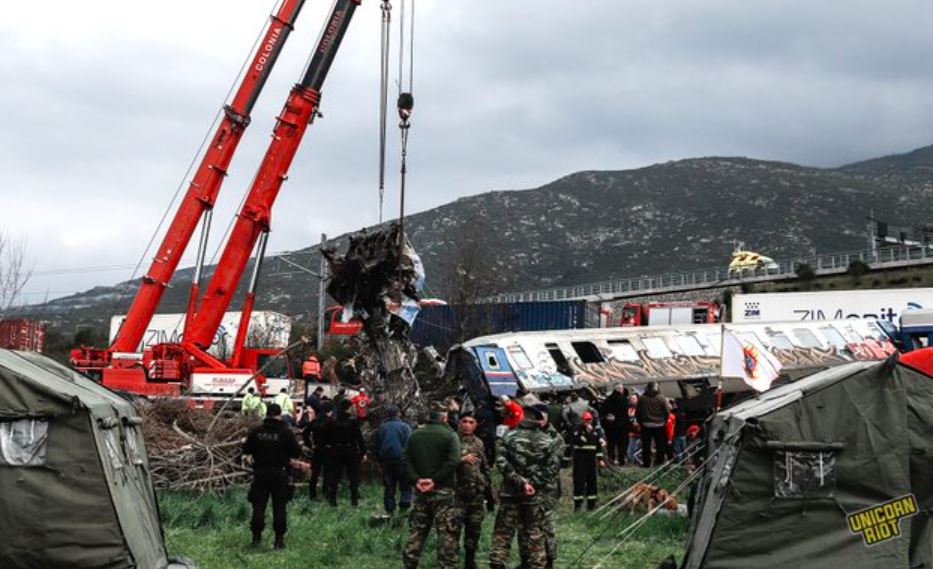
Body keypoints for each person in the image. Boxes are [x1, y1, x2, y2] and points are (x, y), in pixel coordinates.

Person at [489, 405, 562, 569]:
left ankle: (497, 563)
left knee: (503, 533)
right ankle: (537, 564)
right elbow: (552, 470)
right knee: (535, 534)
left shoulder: (508, 437)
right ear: (536, 420)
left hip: (510, 494)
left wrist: (519, 481)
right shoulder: (548, 441)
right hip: (534, 496)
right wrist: (531, 484)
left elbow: (501, 462)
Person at [402, 404, 461, 569]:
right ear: (444, 418)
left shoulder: (415, 435)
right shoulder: (450, 436)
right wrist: (435, 480)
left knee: (417, 531)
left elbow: (405, 459)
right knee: (447, 533)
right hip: (443, 492)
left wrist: (416, 480)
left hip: (421, 491)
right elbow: (453, 461)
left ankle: (410, 563)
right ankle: (446, 565)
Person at [241, 403, 300, 550]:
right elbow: (296, 452)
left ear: (267, 414)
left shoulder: (256, 431)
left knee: (258, 506)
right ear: (279, 415)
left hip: (260, 473)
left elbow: (246, 449)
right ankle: (279, 541)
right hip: (280, 474)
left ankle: (256, 539)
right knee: (279, 507)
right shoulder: (286, 432)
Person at [455, 412, 493, 569]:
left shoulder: (478, 442)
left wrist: (488, 492)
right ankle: (450, 561)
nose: (467, 425)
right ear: (459, 423)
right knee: (452, 530)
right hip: (456, 494)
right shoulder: (452, 440)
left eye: (471, 422)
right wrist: (460, 459)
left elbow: (484, 466)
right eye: (464, 421)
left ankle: (470, 562)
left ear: (475, 425)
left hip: (476, 495)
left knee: (474, 529)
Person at [323, 399, 367, 506]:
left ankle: (332, 499)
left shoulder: (333, 421)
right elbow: (359, 438)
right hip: (350, 450)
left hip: (336, 451)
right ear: (348, 408)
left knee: (336, 476)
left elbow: (327, 437)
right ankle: (354, 500)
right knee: (353, 476)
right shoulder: (353, 421)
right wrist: (363, 451)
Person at [373, 405, 413, 514]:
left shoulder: (381, 428)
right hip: (403, 462)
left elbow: (376, 445)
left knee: (389, 487)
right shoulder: (405, 427)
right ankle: (404, 507)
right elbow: (410, 445)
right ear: (398, 413)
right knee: (406, 486)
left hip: (387, 462)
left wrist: (378, 461)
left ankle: (390, 510)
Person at [570, 411, 606, 511]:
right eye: (586, 420)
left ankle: (591, 504)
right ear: (582, 420)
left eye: (590, 420)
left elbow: (598, 447)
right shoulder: (577, 430)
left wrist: (600, 459)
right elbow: (579, 441)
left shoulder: (595, 432)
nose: (588, 422)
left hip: (591, 460)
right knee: (579, 481)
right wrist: (587, 433)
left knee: (592, 482)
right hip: (580, 460)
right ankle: (578, 505)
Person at [302, 400, 333, 500]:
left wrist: (310, 445)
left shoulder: (315, 421)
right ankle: (326, 493)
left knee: (315, 472)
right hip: (328, 449)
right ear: (329, 411)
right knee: (327, 472)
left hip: (317, 449)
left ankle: (312, 494)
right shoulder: (331, 422)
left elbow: (305, 433)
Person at [636, 383, 671, 468]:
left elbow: (638, 412)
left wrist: (641, 422)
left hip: (646, 425)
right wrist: (664, 421)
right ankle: (659, 462)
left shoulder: (642, 399)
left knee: (646, 446)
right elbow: (667, 411)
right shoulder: (661, 398)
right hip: (659, 425)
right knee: (660, 445)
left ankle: (646, 463)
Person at [600, 384, 629, 465]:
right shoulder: (623, 399)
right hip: (621, 427)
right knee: (621, 444)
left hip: (610, 427)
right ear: (620, 389)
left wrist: (607, 421)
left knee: (611, 444)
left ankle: (611, 459)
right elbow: (625, 414)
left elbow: (602, 413)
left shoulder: (607, 399)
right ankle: (621, 460)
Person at [626, 394, 641, 465]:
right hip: (632, 432)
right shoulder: (629, 409)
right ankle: (631, 463)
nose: (632, 400)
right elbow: (628, 421)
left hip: (640, 432)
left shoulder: (641, 408)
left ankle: (637, 462)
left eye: (633, 398)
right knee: (630, 450)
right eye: (631, 398)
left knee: (636, 449)